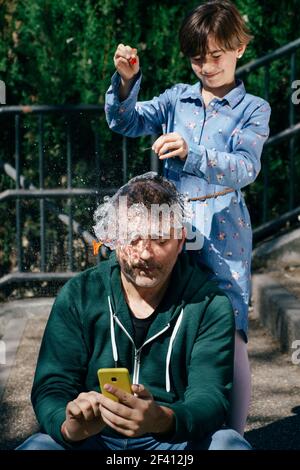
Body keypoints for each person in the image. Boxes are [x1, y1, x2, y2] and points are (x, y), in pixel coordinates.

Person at [104, 0, 271, 435]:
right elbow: (125, 122)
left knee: (230, 324)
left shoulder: (254, 108)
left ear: (240, 47)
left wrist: (192, 154)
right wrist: (126, 83)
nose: (207, 67)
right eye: (198, 58)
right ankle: (171, 425)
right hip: (169, 223)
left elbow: (246, 168)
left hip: (222, 227)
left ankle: (232, 434)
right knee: (167, 312)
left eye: (216, 56)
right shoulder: (176, 98)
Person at [17, 173, 251, 450]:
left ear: (180, 242)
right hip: (93, 440)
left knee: (227, 444)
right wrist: (69, 426)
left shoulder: (210, 304)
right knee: (38, 447)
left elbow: (210, 399)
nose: (145, 254)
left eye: (160, 240)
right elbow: (52, 386)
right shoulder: (80, 294)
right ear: (114, 240)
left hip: (174, 444)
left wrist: (161, 419)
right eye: (133, 238)